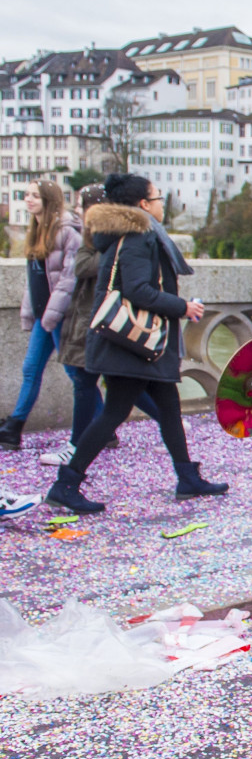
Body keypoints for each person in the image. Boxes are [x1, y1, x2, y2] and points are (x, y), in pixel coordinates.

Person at [45, 174, 228, 513]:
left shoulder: (126, 234)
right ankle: (65, 483)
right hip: (131, 346)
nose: (161, 203)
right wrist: (182, 307)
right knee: (113, 412)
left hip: (136, 347)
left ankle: (187, 476)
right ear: (143, 205)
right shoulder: (137, 236)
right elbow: (137, 290)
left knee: (169, 406)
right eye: (157, 197)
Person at [44, 184, 162, 468]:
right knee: (117, 387)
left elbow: (83, 266)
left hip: (101, 319)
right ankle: (169, 428)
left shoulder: (106, 236)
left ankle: (75, 451)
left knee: (93, 384)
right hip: (100, 318)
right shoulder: (108, 234)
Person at [0, 181, 83, 451]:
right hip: (43, 315)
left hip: (59, 315)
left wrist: (52, 314)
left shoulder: (68, 232)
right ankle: (14, 428)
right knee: (31, 369)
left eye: (35, 195)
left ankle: (102, 425)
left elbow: (69, 280)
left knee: (75, 373)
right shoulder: (36, 231)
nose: (28, 200)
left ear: (49, 200)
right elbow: (36, 279)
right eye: (26, 195)